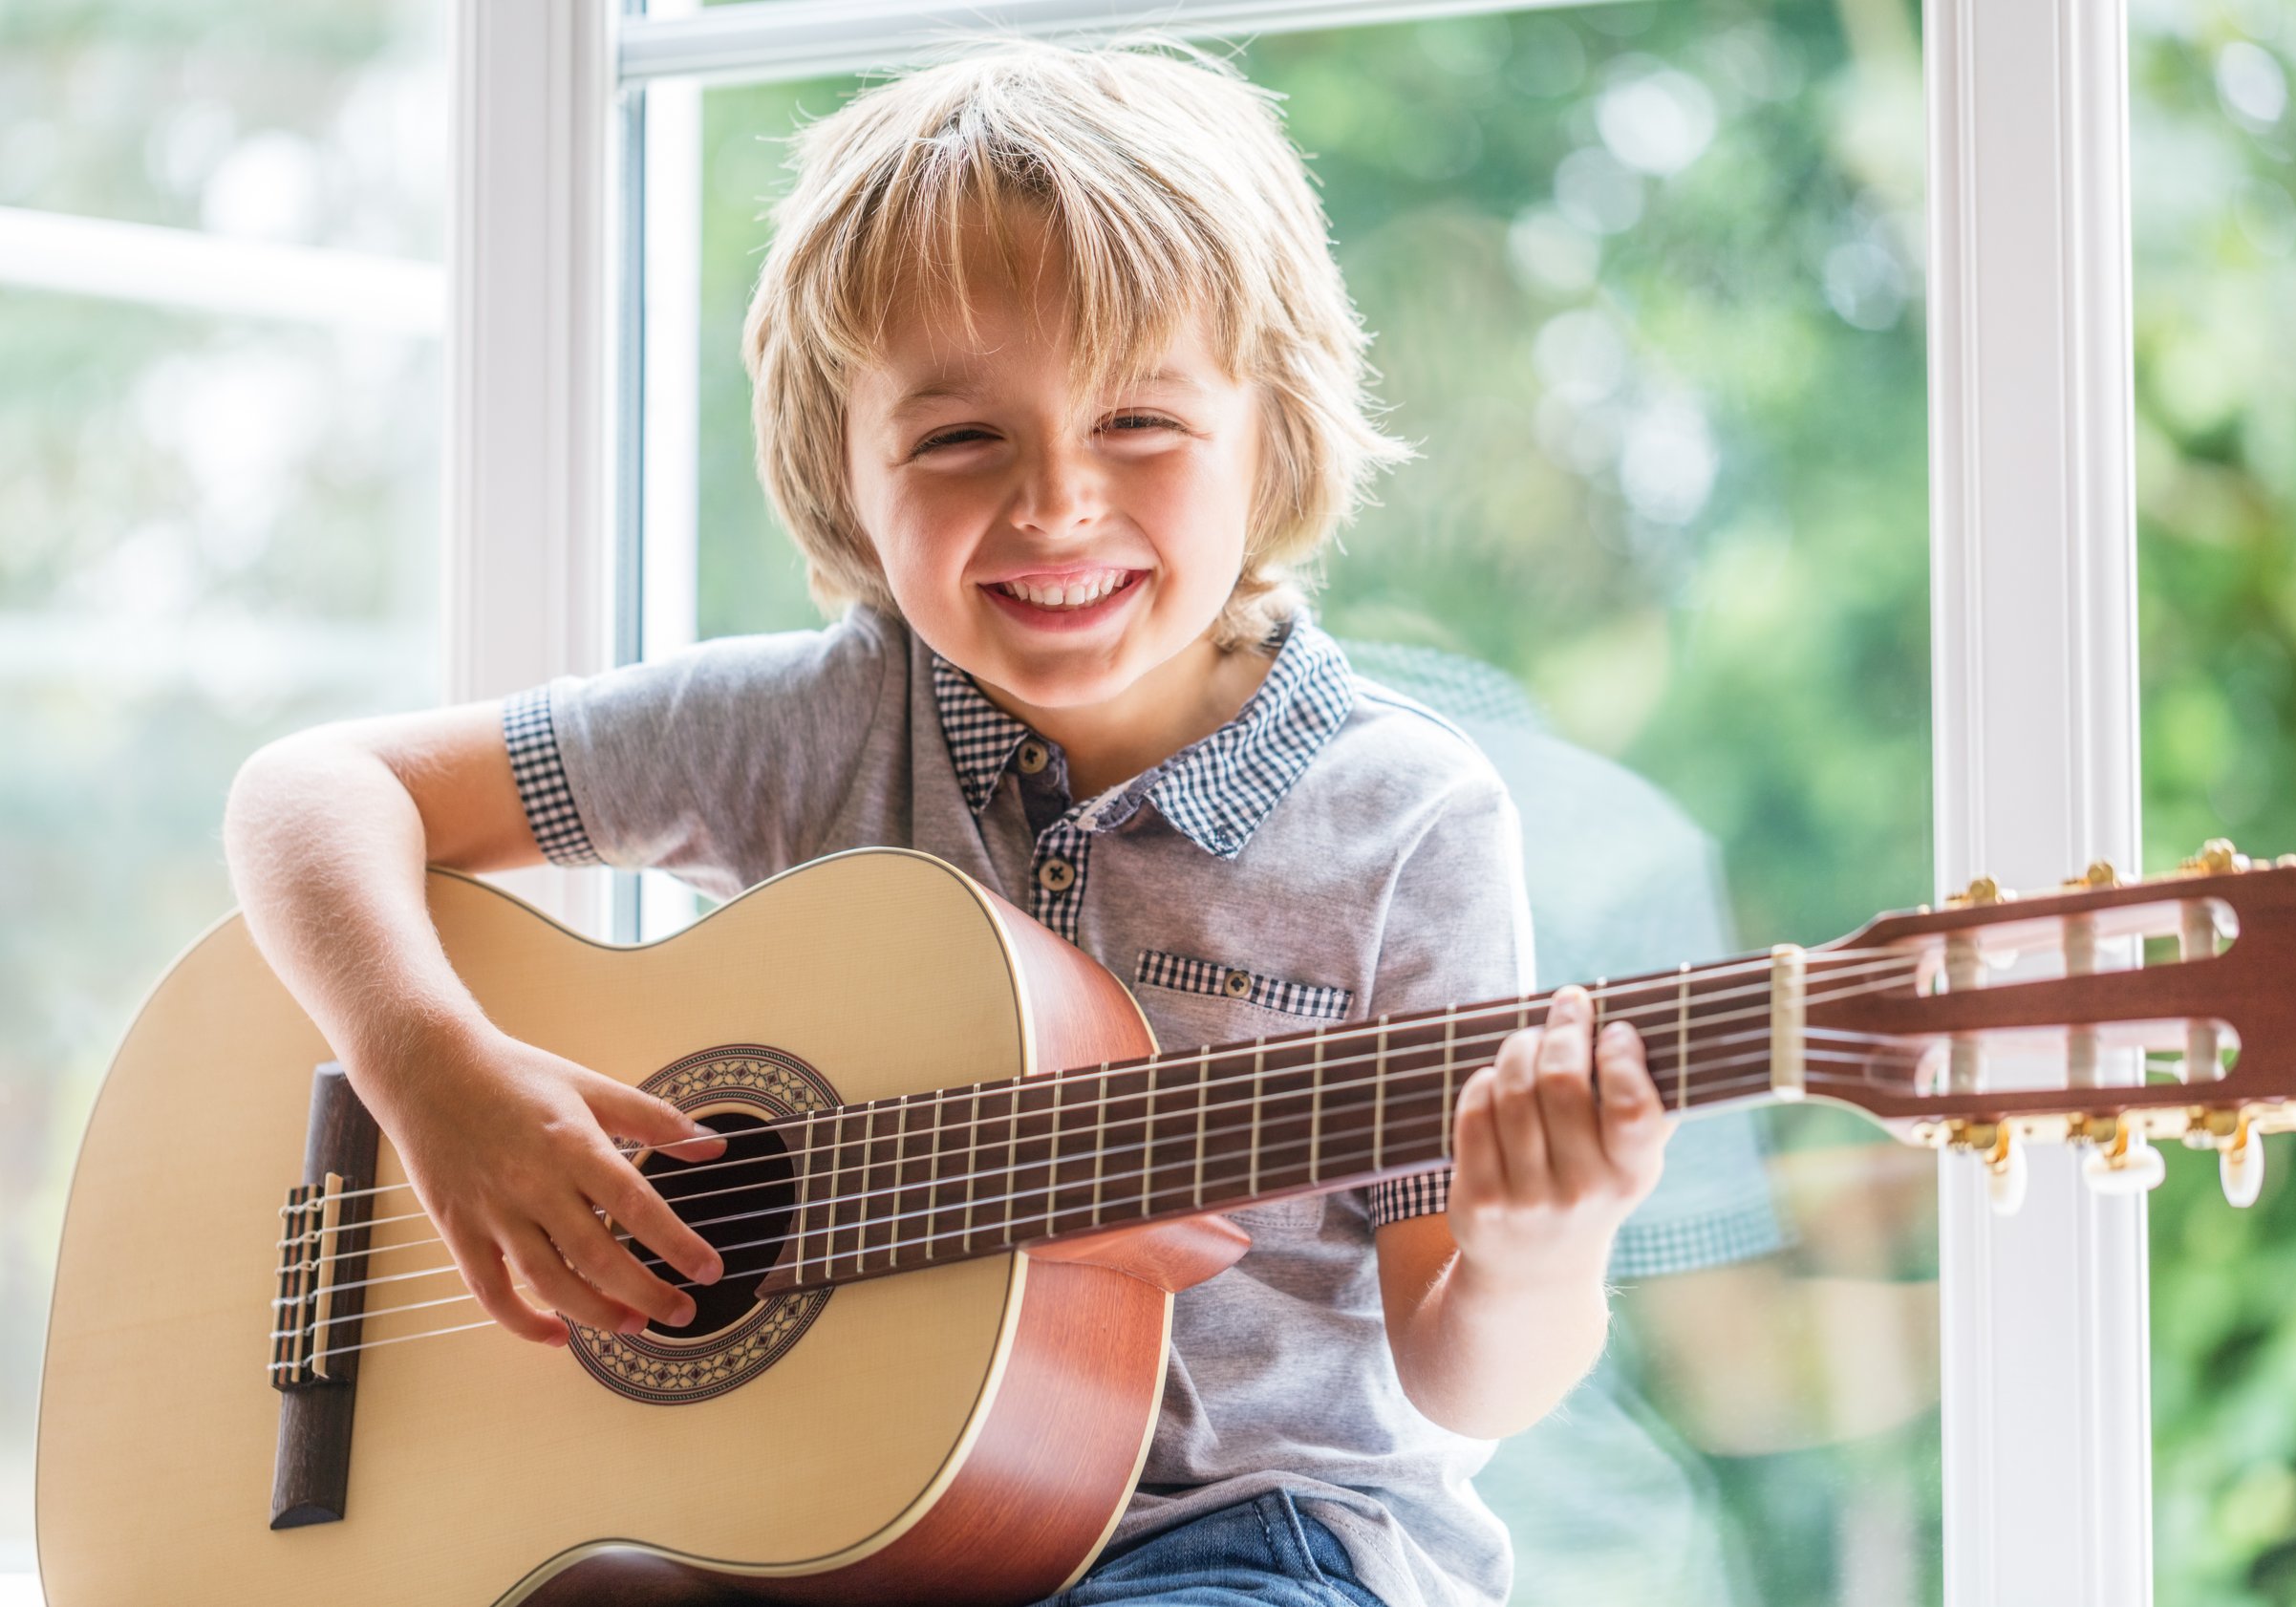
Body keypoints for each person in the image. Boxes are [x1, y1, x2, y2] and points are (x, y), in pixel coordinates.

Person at [223, 40, 1668, 1607]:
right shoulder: (812, 727)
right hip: (804, 1534)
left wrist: (1536, 1248)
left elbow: (1464, 1373)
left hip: (1252, 1536)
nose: (1056, 502)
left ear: (1277, 428)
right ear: (841, 474)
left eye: (1139, 422)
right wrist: (436, 1076)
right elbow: (311, 791)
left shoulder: (1403, 823)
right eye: (961, 439)